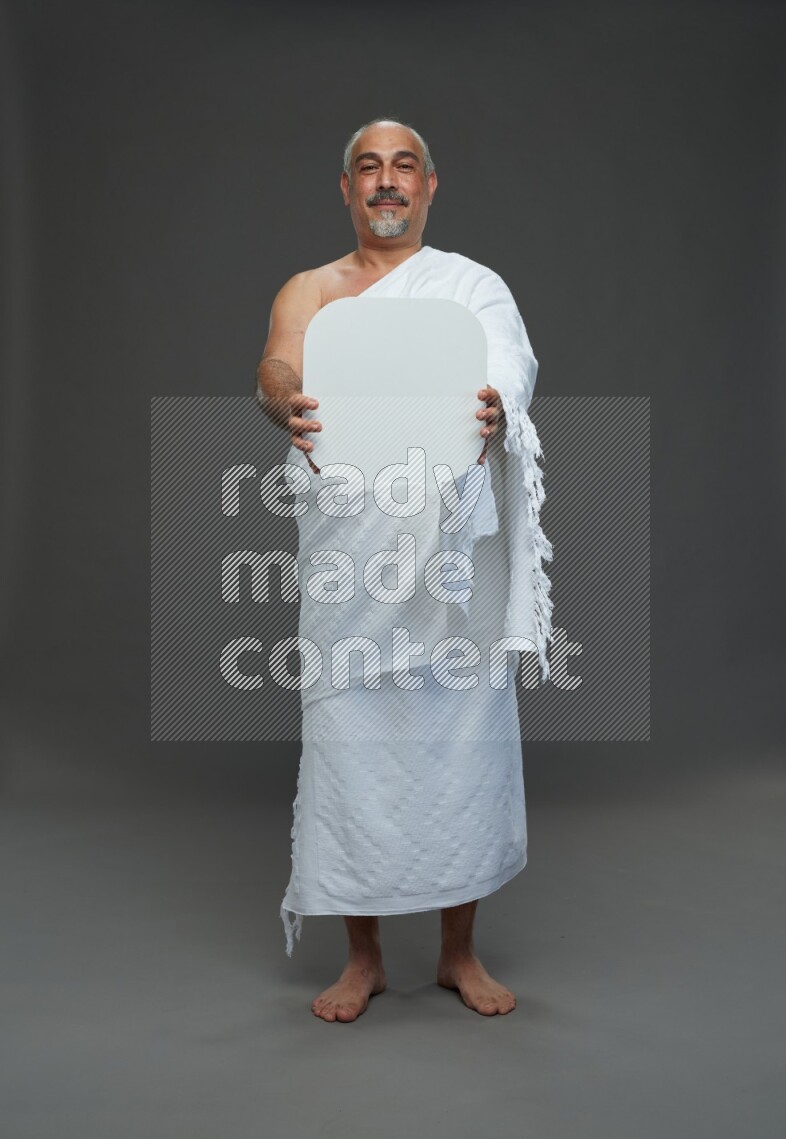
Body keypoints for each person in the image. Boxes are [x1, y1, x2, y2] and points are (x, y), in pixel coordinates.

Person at [255, 118, 553, 1021]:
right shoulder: (312, 289)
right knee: (351, 744)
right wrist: (284, 398)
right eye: (369, 168)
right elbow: (277, 365)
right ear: (346, 189)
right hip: (350, 547)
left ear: (429, 186)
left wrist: (498, 403)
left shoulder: (472, 288)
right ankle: (364, 957)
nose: (387, 182)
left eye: (404, 167)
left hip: (453, 552)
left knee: (461, 739)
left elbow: (510, 362)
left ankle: (459, 951)